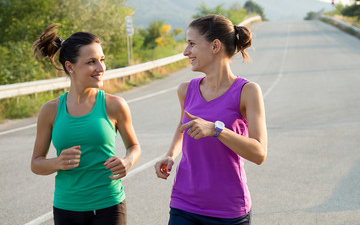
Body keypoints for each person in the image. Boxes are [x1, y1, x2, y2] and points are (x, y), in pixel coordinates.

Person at [154, 14, 267, 225]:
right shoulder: (186, 90)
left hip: (228, 209)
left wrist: (217, 130)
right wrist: (170, 155)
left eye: (192, 44)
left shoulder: (247, 91)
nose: (185, 52)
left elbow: (259, 153)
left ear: (215, 46)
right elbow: (183, 127)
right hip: (184, 203)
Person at [31, 24, 141, 225]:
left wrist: (127, 161)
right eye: (91, 62)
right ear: (70, 66)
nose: (100, 68)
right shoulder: (50, 110)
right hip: (66, 208)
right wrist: (57, 163)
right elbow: (36, 163)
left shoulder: (114, 105)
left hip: (109, 205)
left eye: (102, 60)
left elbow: (134, 147)